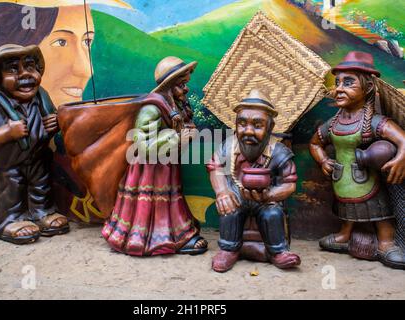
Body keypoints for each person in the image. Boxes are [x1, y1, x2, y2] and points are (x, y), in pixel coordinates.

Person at [101, 56, 208, 256]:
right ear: (169, 87)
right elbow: (141, 145)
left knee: (169, 202)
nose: (185, 89)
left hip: (166, 168)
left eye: (185, 84)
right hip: (149, 172)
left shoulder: (173, 106)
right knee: (153, 205)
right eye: (181, 85)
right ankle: (157, 239)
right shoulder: (151, 109)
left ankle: (178, 232)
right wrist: (176, 138)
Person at [309, 51, 405, 269]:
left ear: (368, 87)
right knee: (347, 210)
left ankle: (386, 242)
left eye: (348, 83)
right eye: (338, 82)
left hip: (369, 182)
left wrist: (401, 158)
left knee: (379, 212)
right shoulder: (332, 124)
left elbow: (403, 140)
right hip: (342, 180)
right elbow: (315, 143)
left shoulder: (375, 122)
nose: (339, 88)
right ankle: (345, 235)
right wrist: (323, 160)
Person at [0, 44, 69, 244]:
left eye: (30, 67)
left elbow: (50, 118)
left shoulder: (41, 96)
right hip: (8, 163)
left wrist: (54, 123)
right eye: (13, 70)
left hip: (37, 157)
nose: (24, 75)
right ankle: (9, 220)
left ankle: (42, 213)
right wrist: (8, 132)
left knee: (41, 185)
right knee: (11, 189)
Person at [206, 89, 301, 272]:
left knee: (272, 214)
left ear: (270, 127)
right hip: (236, 192)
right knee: (229, 209)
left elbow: (289, 184)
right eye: (242, 124)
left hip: (265, 196)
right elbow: (215, 167)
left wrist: (270, 195)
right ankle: (228, 249)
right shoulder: (228, 146)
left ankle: (278, 252)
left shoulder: (278, 151)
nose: (248, 131)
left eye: (257, 125)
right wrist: (222, 191)